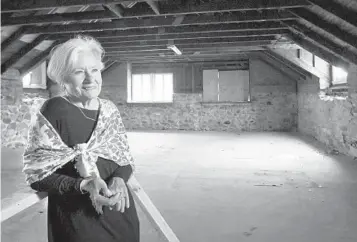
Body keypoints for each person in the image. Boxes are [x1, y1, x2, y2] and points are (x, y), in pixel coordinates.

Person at [22, 35, 140, 242]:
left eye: (94, 70)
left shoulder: (109, 110)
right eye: (79, 72)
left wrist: (120, 178)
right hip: (78, 220)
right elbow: (37, 175)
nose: (90, 79)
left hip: (119, 213)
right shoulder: (54, 110)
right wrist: (85, 185)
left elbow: (124, 158)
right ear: (63, 78)